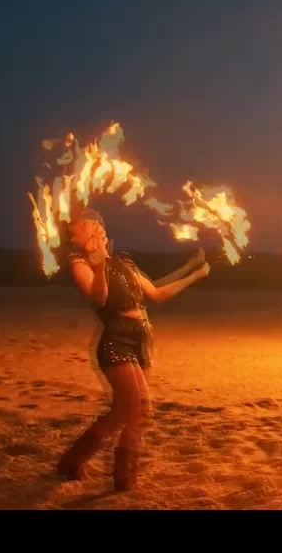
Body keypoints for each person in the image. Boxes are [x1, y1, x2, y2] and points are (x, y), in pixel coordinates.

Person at [55, 209, 210, 492]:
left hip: (142, 336)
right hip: (117, 338)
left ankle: (120, 476)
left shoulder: (124, 260)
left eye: (79, 223)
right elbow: (99, 298)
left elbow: (157, 293)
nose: (71, 229)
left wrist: (195, 273)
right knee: (128, 408)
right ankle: (79, 463)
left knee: (140, 409)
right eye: (72, 228)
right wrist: (98, 265)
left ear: (97, 227)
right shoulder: (78, 262)